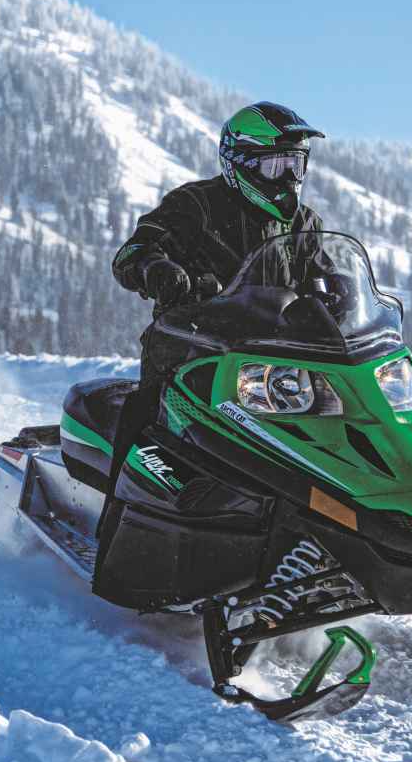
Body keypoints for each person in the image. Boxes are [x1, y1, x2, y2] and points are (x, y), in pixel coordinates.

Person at [104, 101, 327, 483]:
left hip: (275, 359)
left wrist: (343, 297)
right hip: (192, 347)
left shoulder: (304, 223)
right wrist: (157, 269)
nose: (289, 178)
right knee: (150, 418)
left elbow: (325, 277)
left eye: (296, 165)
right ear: (240, 162)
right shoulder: (194, 206)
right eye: (277, 166)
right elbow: (132, 252)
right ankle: (115, 500)